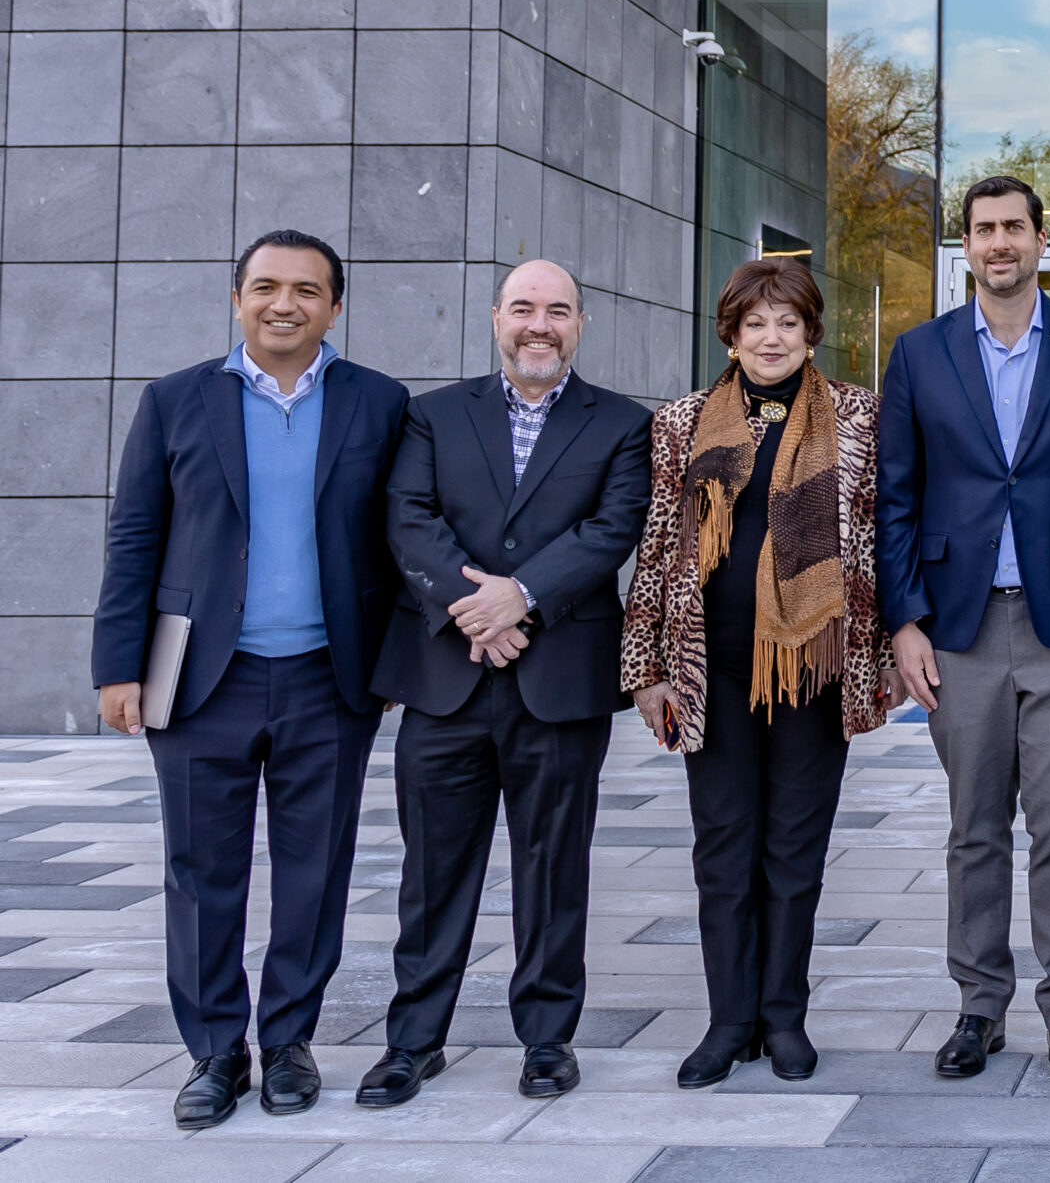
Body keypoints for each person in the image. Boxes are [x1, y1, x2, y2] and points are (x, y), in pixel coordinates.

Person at [92, 232, 411, 1129]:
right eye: (266, 286)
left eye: (307, 290)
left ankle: (290, 1043)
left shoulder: (379, 403)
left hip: (329, 679)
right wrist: (118, 667)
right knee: (201, 870)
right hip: (199, 681)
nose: (285, 303)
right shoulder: (174, 401)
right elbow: (133, 539)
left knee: (315, 868)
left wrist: (392, 661)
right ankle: (213, 1052)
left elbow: (400, 538)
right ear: (236, 297)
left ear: (335, 307)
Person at [876, 175, 1050, 1093]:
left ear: (1041, 240)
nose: (1000, 243)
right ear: (967, 246)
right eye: (984, 229)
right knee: (973, 827)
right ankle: (979, 1007)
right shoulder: (919, 353)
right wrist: (904, 619)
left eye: (1014, 228)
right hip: (956, 627)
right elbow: (896, 499)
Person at [362, 260, 653, 1106]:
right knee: (433, 872)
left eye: (557, 310)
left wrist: (519, 598)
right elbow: (408, 519)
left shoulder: (622, 425)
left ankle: (547, 1040)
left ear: (580, 324)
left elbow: (611, 529)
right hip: (446, 679)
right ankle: (414, 1041)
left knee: (554, 868)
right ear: (496, 318)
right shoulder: (432, 414)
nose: (540, 324)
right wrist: (473, 606)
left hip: (558, 680)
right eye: (523, 307)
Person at [624, 260, 899, 1087]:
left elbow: (881, 543)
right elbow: (659, 546)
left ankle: (784, 1016)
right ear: (730, 334)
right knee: (724, 848)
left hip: (813, 667)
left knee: (793, 849)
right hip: (712, 669)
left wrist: (881, 657)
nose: (771, 337)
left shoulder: (857, 414)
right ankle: (728, 1019)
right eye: (754, 324)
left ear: (811, 332)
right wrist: (647, 668)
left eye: (787, 322)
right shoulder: (680, 422)